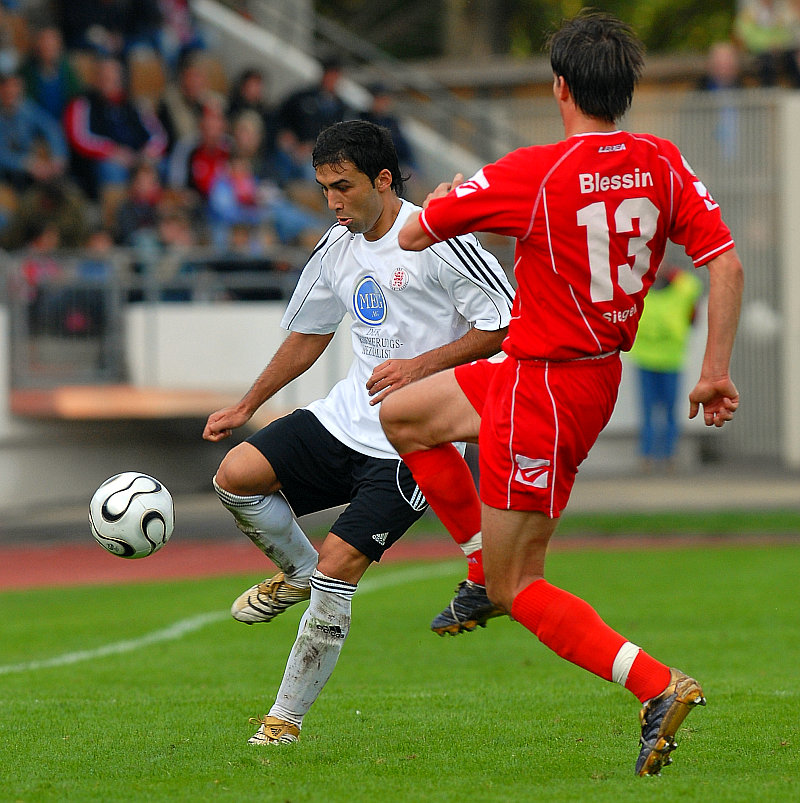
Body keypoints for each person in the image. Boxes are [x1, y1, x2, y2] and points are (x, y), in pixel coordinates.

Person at [379, 11, 743, 778]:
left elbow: (412, 235)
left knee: (523, 584)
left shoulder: (535, 170)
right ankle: (477, 568)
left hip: (545, 386)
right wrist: (713, 368)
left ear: (560, 88)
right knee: (405, 414)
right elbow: (726, 261)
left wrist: (447, 196)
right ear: (626, 91)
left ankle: (656, 685)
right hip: (565, 372)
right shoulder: (662, 160)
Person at [202, 120, 514, 746]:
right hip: (344, 420)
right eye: (324, 190)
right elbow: (310, 333)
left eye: (343, 187)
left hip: (414, 442)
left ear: (383, 180)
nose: (334, 202)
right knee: (235, 476)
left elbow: (504, 324)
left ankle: (283, 721)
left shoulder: (436, 237)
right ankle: (294, 571)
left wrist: (420, 368)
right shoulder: (336, 248)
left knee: (338, 568)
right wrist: (247, 404)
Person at [627, 263, 704, 472]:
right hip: (647, 359)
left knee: (669, 411)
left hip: (671, 360)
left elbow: (693, 287)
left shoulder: (681, 288)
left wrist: (672, 272)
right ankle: (648, 456)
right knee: (649, 411)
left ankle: (669, 455)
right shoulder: (641, 287)